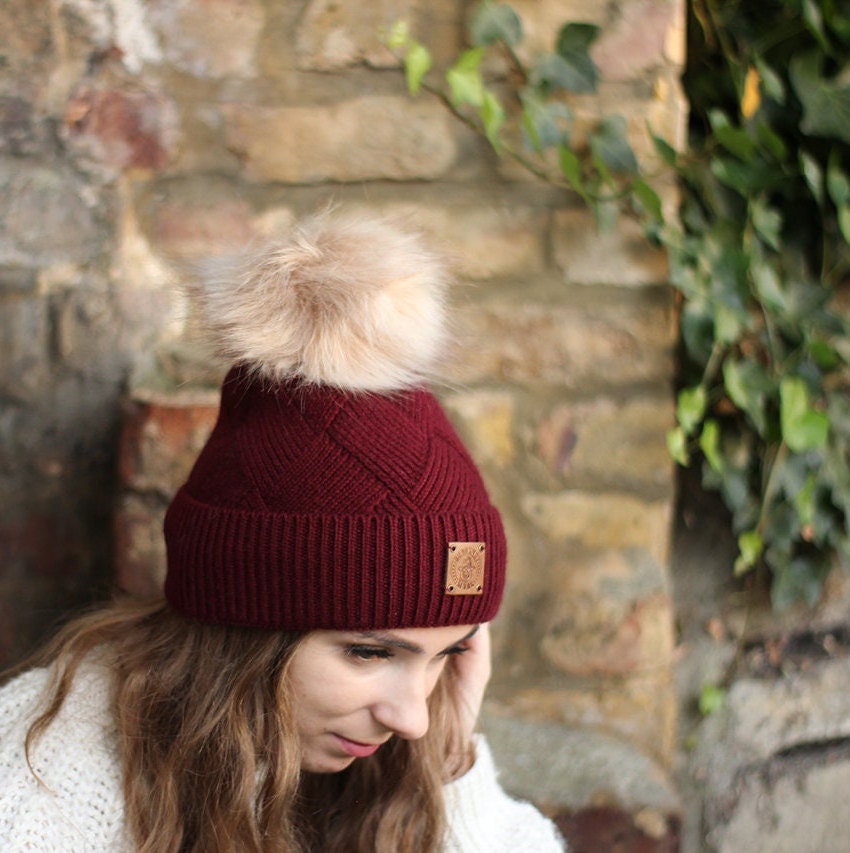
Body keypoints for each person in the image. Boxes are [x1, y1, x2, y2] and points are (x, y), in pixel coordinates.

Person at [0, 210, 565, 852]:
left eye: (449, 654)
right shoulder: (40, 789)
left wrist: (448, 767)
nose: (410, 718)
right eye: (370, 652)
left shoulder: (388, 758)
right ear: (243, 624)